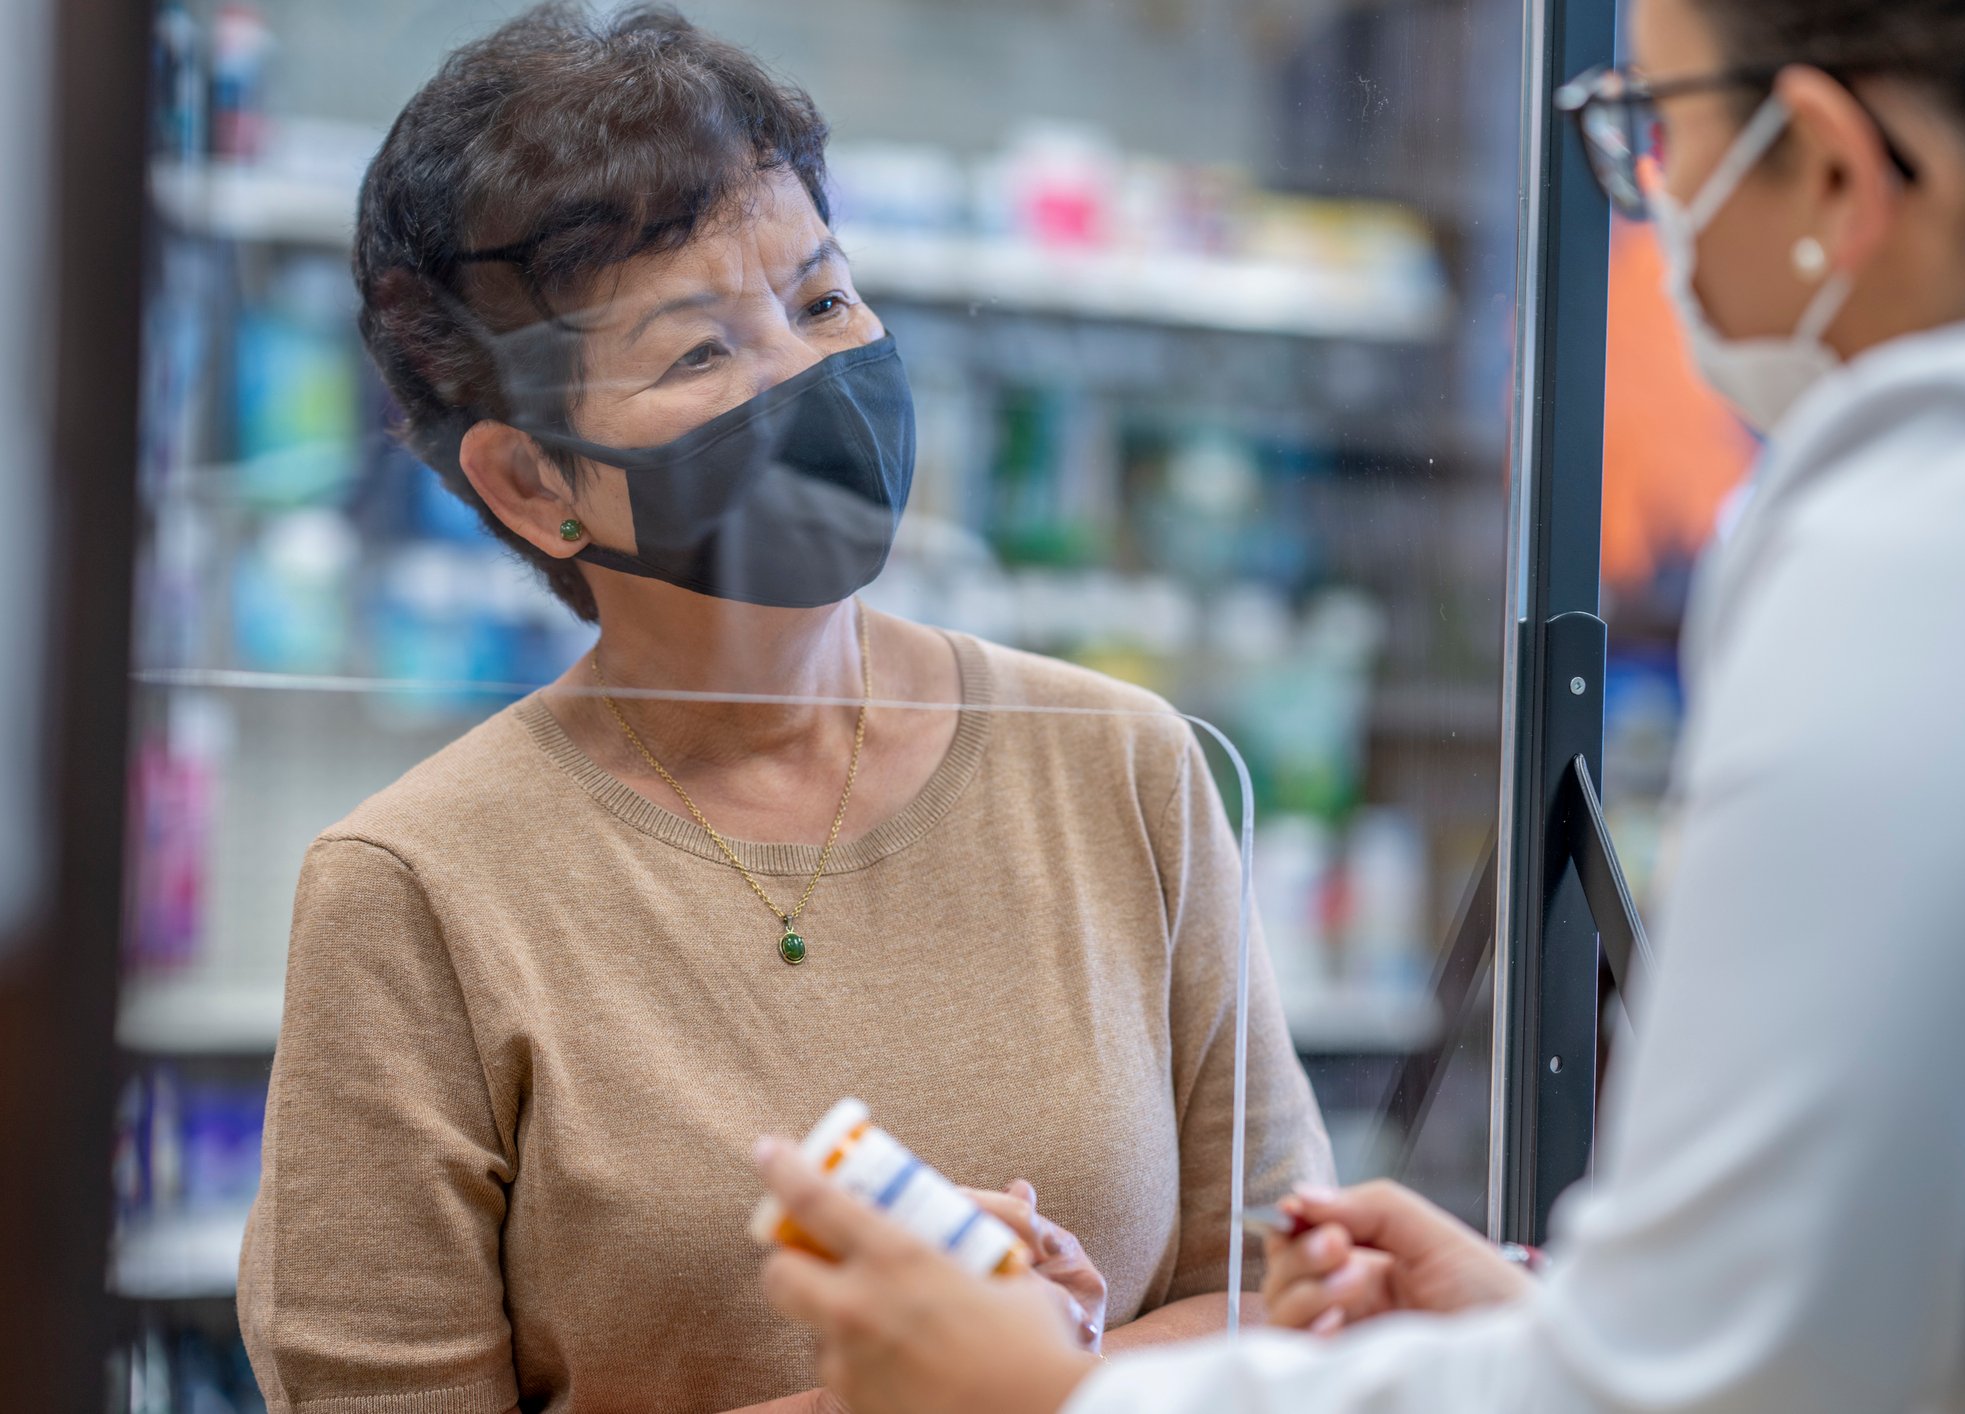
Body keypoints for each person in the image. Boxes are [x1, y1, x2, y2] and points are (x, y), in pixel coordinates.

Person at [754, 0, 1965, 1409]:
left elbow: (1722, 1376)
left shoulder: (1952, 529)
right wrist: (1532, 1327)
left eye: (1657, 127)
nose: (1649, 195)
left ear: (1831, 166)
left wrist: (1044, 1397)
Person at [233, 6, 1335, 1412]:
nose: (810, 381)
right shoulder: (417, 890)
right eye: (697, 354)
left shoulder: (1121, 765)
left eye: (822, 302)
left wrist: (1050, 1368)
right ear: (531, 485)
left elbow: (1291, 1299)